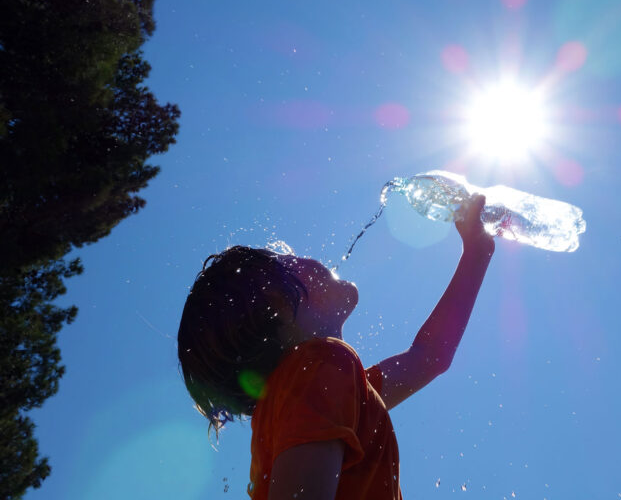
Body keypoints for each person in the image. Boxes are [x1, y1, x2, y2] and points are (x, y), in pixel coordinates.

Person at [177, 194, 495, 499]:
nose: (306, 257)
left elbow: (429, 357)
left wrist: (477, 252)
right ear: (279, 306)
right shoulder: (317, 371)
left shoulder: (321, 391)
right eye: (289, 260)